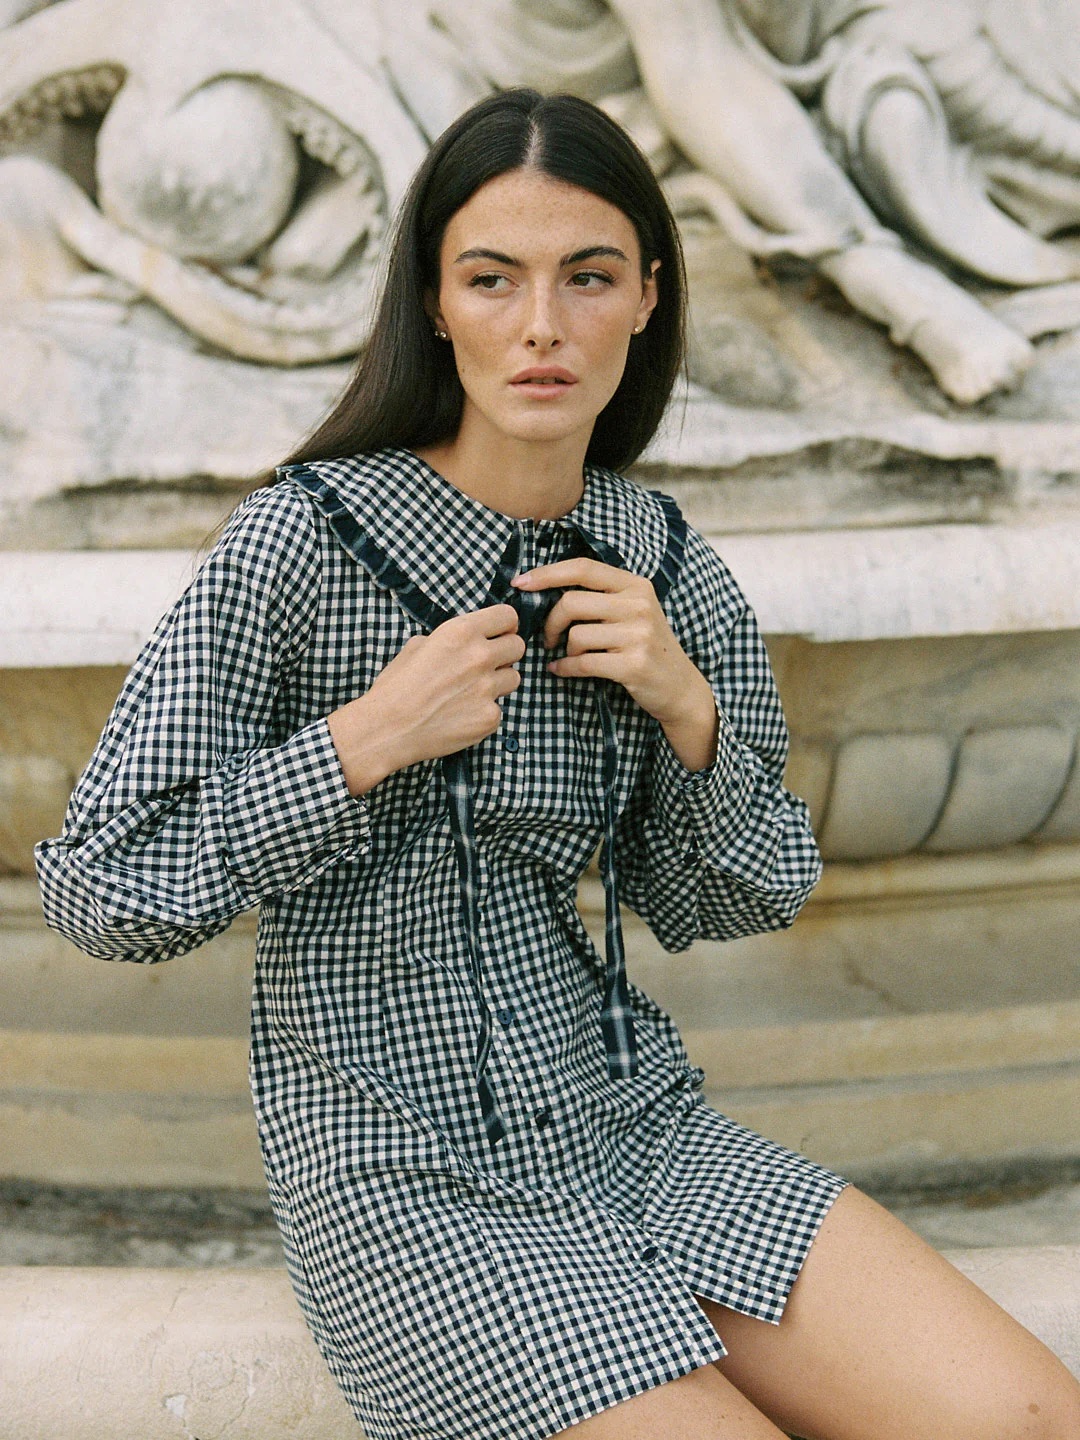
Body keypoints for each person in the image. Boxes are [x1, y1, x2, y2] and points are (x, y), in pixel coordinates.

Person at [36, 88, 1080, 1440]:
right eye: (492, 278)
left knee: (1027, 1416)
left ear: (648, 295)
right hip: (405, 1186)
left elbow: (733, 903)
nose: (542, 326)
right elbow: (99, 891)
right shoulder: (296, 546)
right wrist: (361, 743)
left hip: (636, 1129)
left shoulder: (658, 559)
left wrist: (685, 711)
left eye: (588, 277)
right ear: (433, 301)